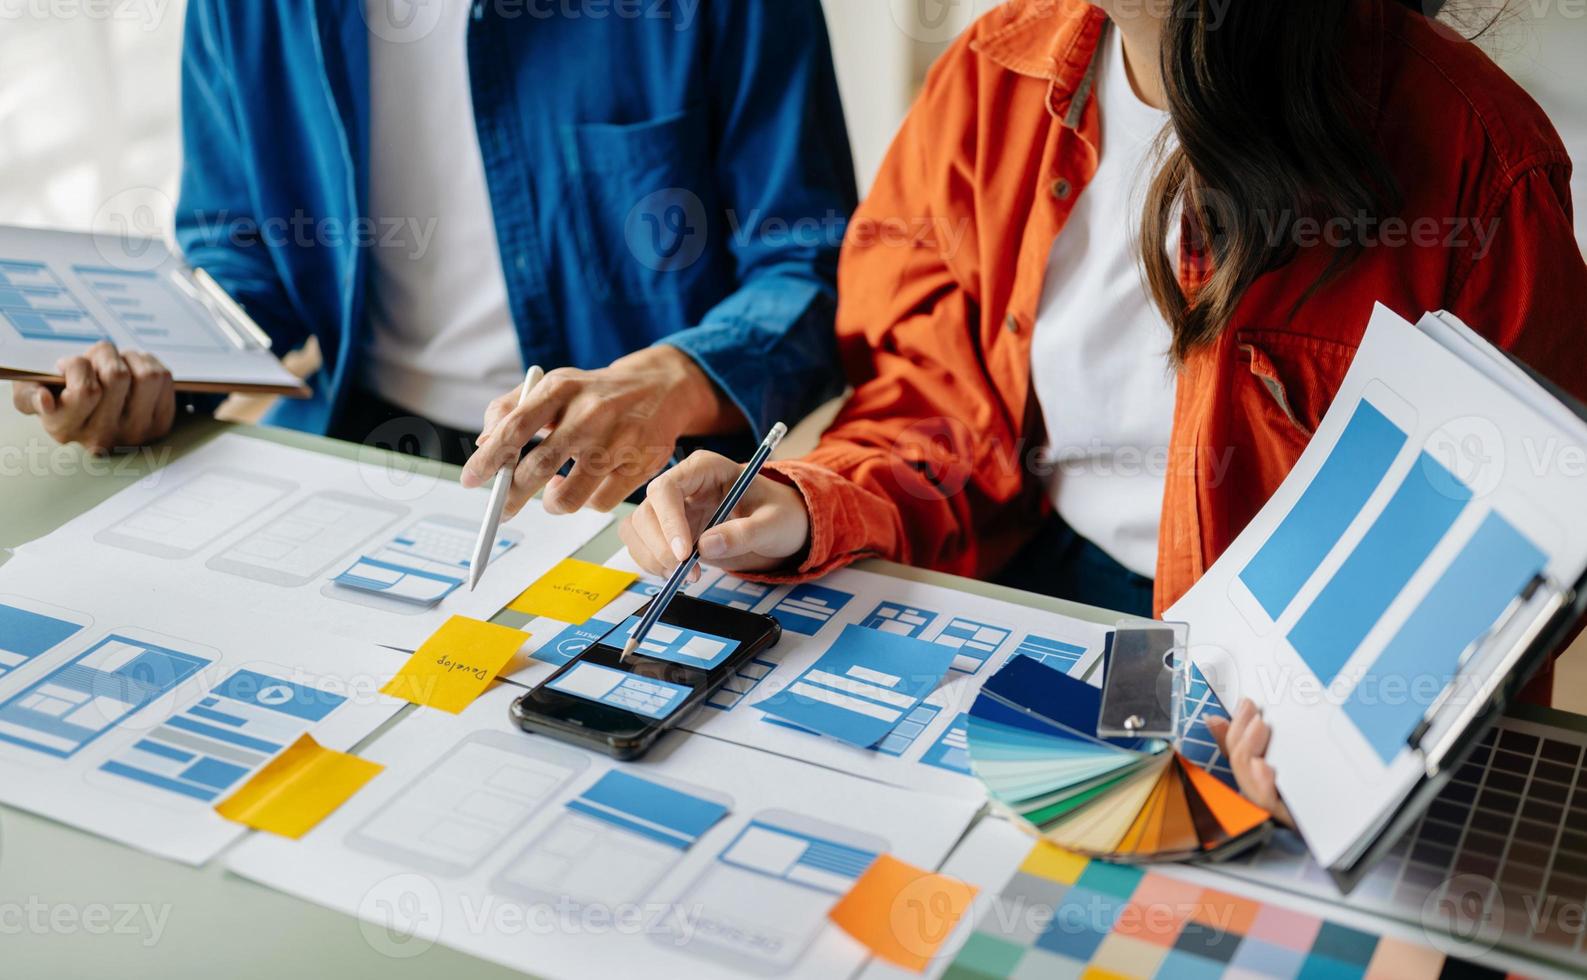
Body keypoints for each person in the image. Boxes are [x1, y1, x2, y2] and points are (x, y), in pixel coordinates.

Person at [621, 0, 1587, 816]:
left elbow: (1510, 553)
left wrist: (1345, 750)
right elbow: (931, 408)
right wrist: (797, 503)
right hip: (1044, 583)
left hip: (1285, 694)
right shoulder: (991, 75)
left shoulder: (1472, 154)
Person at [13, 0, 857, 519]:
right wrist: (157, 376)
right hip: (350, 444)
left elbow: (811, 268)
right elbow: (242, 258)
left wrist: (672, 380)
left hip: (621, 478)